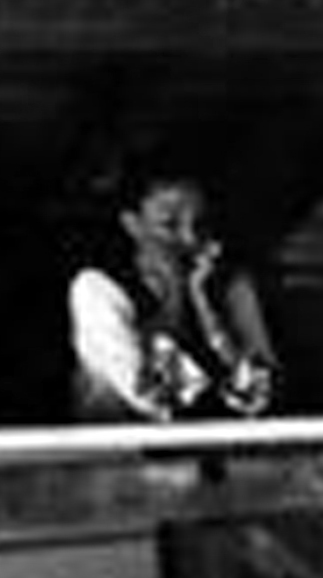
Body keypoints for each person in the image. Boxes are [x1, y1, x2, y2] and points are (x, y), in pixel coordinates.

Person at [67, 157, 279, 422]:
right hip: (124, 454)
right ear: (133, 224)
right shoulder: (97, 289)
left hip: (222, 449)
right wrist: (176, 296)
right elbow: (152, 397)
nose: (189, 239)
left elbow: (260, 397)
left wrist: (207, 313)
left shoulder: (232, 286)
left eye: (199, 224)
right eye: (169, 225)